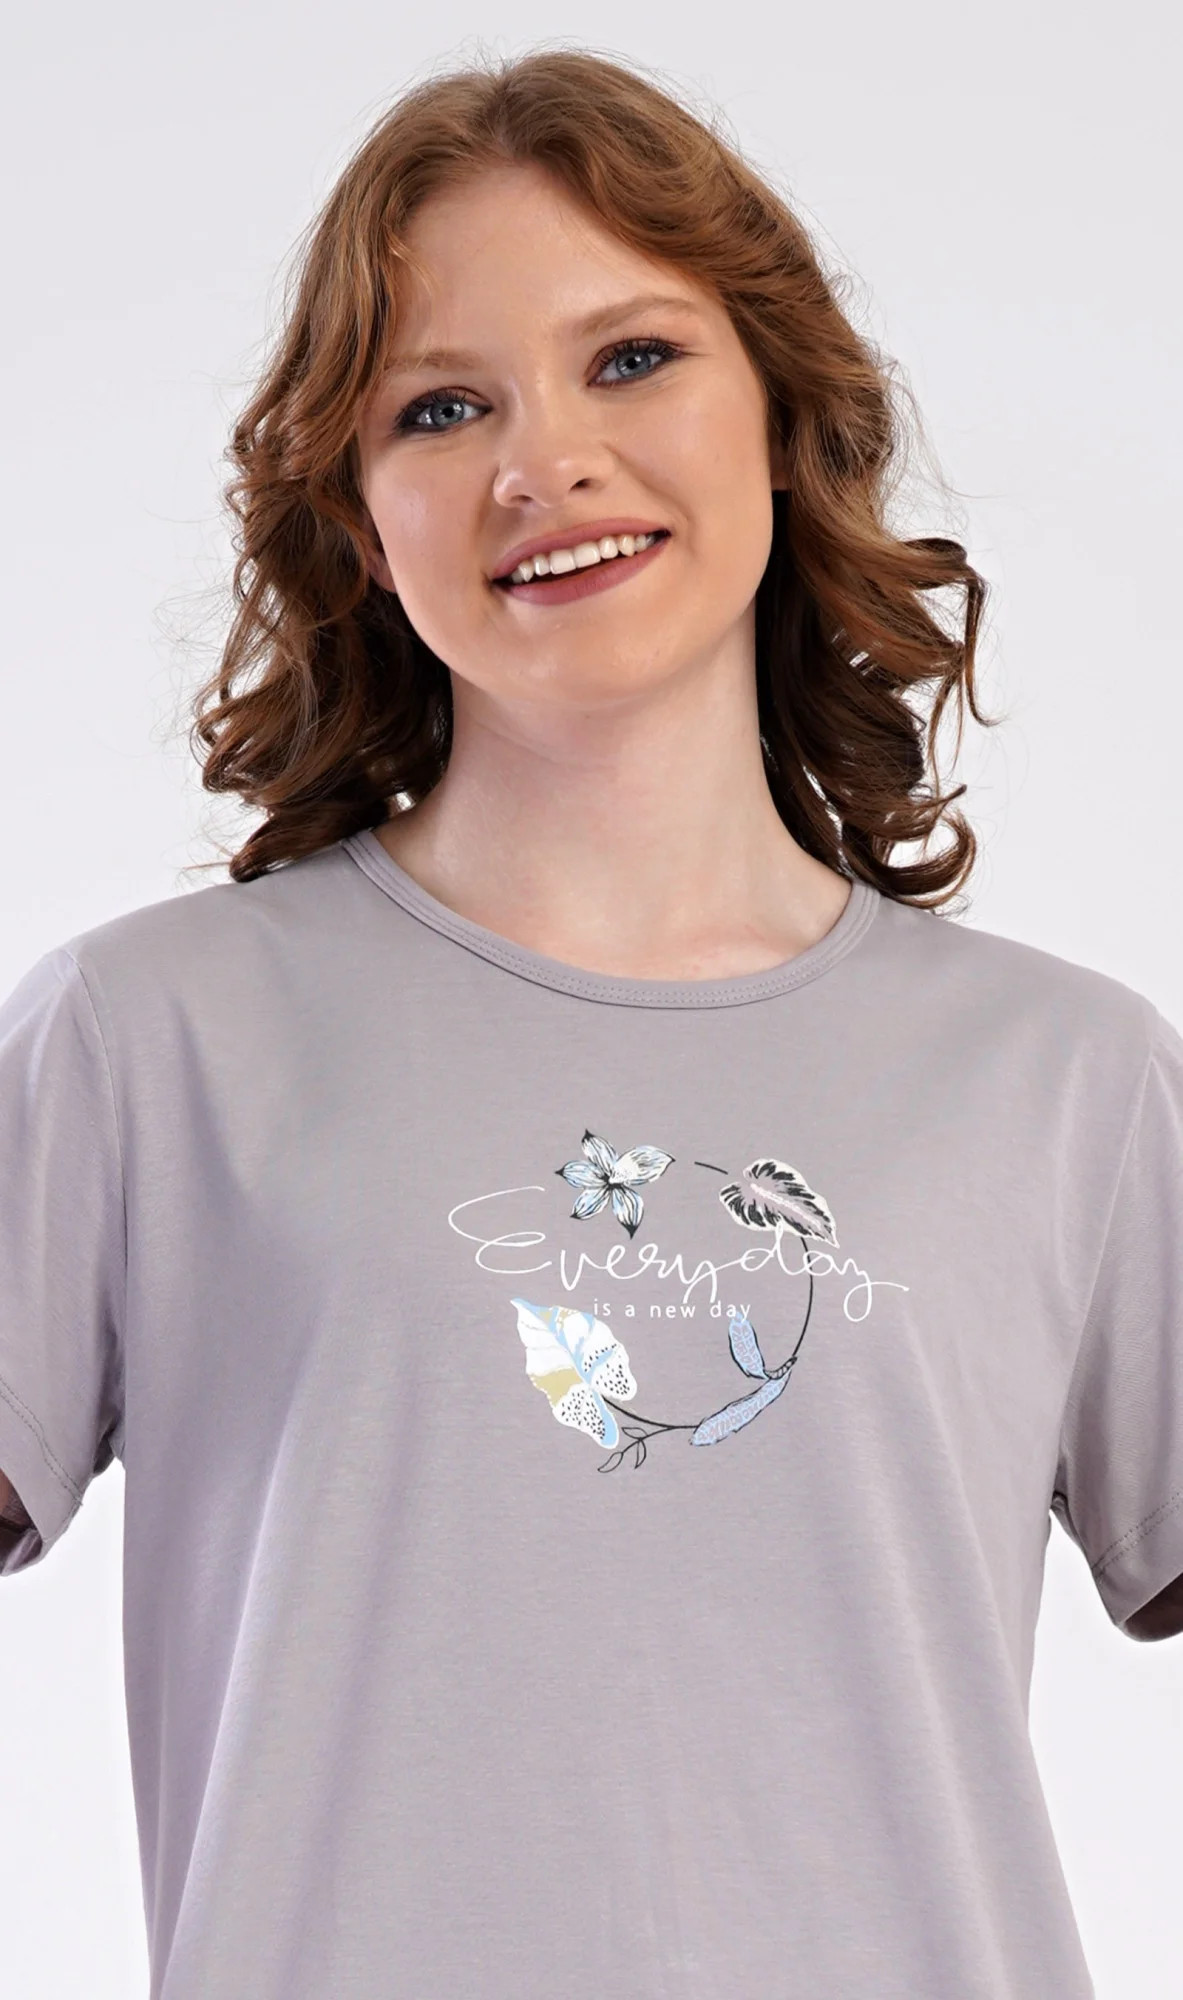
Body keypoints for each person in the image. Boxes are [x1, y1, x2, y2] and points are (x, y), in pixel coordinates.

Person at [0, 44, 1179, 2000]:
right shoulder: (146, 1042)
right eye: (440, 406)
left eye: (631, 358)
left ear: (782, 416)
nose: (540, 461)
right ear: (359, 515)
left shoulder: (1072, 1082)